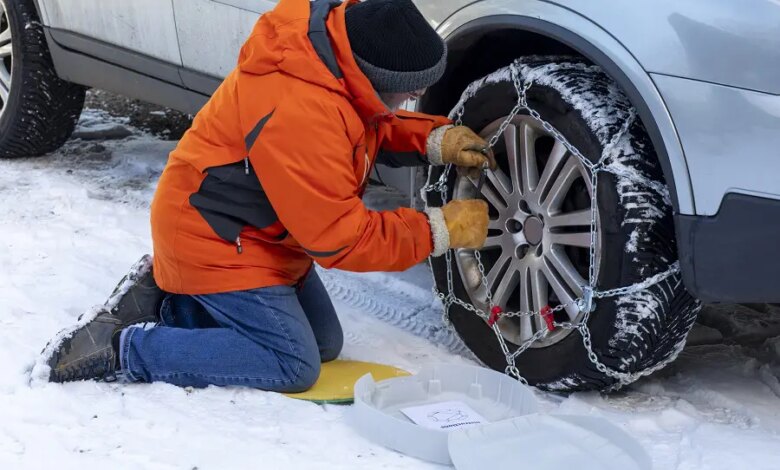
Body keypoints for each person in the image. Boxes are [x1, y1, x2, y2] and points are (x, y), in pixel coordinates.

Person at [47, 0, 495, 391]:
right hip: (213, 237)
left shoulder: (334, 56)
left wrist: (434, 140)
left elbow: (363, 123)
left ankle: (172, 303)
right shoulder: (301, 111)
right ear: (371, 74)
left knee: (324, 344)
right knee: (293, 363)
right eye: (411, 85)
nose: (418, 93)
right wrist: (440, 229)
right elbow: (343, 240)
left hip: (262, 232)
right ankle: (124, 347)